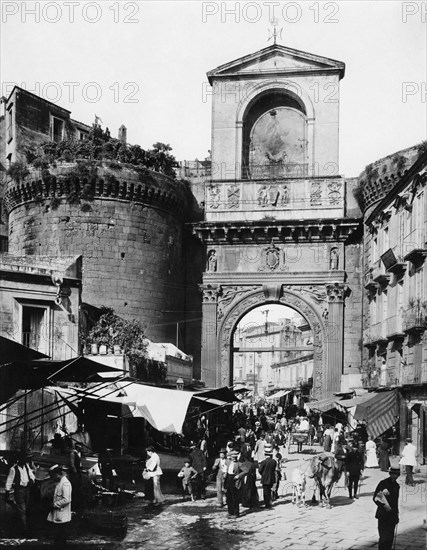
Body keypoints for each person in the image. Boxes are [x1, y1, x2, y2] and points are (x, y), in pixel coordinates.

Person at [5, 452, 36, 533]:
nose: (26, 460)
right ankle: (24, 528)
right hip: (19, 490)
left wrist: (32, 480)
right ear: (19, 459)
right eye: (24, 458)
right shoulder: (13, 469)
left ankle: (25, 525)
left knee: (26, 507)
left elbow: (32, 475)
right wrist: (7, 490)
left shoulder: (26, 466)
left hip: (27, 489)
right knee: (22, 508)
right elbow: (9, 480)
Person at [373, 467, 400, 550]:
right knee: (384, 538)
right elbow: (376, 498)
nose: (395, 476)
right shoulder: (383, 483)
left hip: (392, 516)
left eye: (397, 474)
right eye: (393, 474)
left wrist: (396, 514)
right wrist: (388, 508)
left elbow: (396, 502)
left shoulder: (397, 486)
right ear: (390, 474)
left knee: (390, 539)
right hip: (383, 515)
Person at [47, 465, 72, 548]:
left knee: (60, 537)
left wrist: (55, 504)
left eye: (53, 476)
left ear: (58, 474)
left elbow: (67, 499)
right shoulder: (60, 483)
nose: (52, 478)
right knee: (58, 537)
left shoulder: (65, 483)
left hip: (62, 515)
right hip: (59, 515)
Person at [224, 450, 243, 518]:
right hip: (228, 479)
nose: (234, 458)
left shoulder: (239, 464)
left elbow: (246, 471)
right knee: (228, 497)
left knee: (235, 497)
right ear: (231, 457)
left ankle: (236, 513)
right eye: (233, 457)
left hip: (235, 480)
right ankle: (230, 511)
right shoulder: (228, 462)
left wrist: (239, 475)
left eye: (235, 457)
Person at [258, 444, 276, 509]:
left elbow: (260, 470)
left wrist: (263, 474)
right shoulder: (274, 462)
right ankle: (270, 501)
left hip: (265, 478)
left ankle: (267, 504)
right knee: (269, 490)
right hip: (271, 478)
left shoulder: (263, 462)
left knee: (265, 492)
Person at [69, 442, 83, 512]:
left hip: (78, 472)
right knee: (74, 489)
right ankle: (73, 506)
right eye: (81, 447)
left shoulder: (78, 454)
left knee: (78, 489)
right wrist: (75, 473)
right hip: (74, 474)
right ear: (78, 447)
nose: (82, 449)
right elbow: (72, 464)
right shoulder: (72, 453)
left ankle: (77, 505)